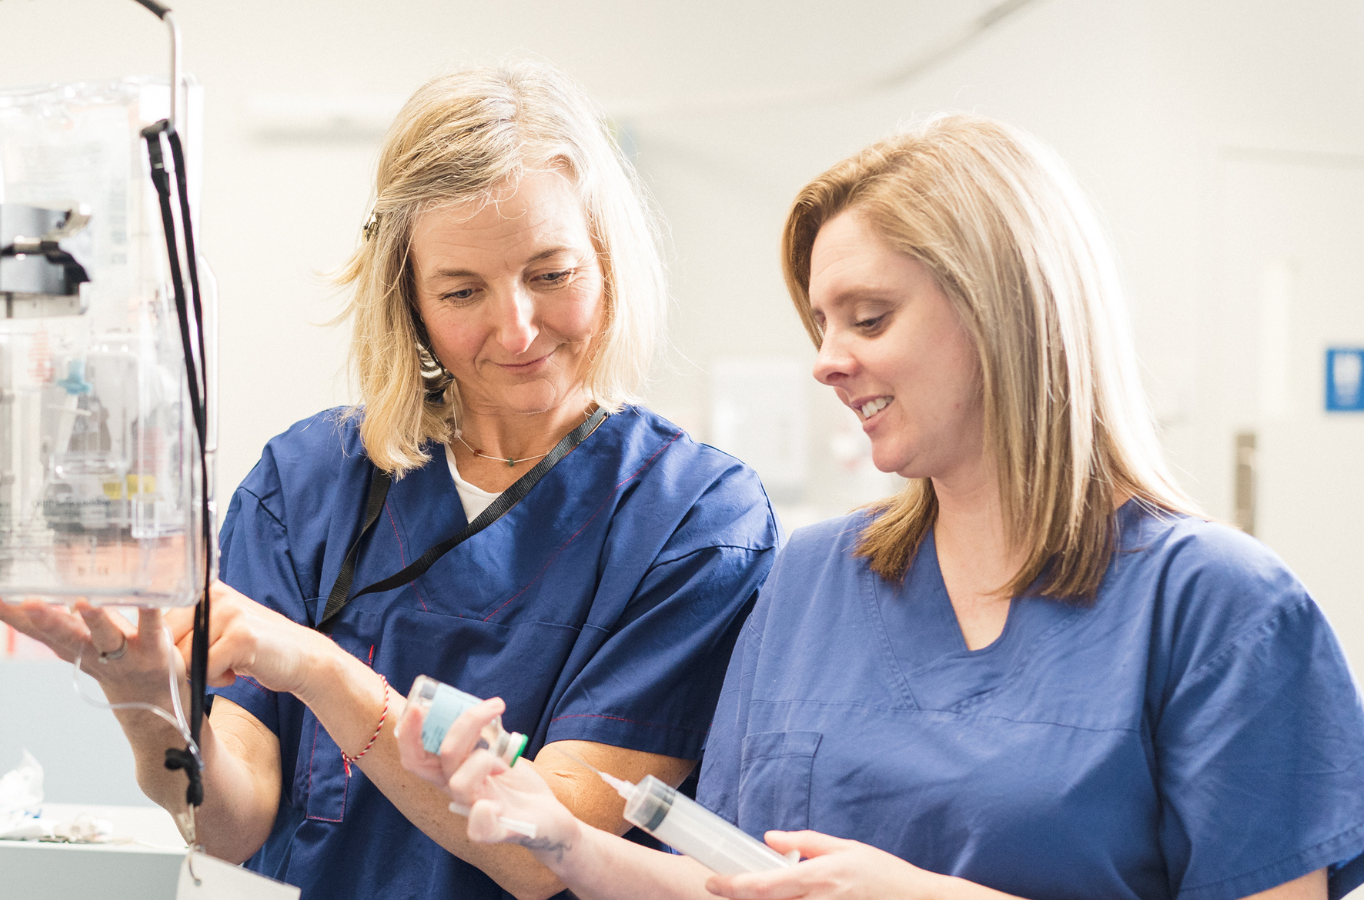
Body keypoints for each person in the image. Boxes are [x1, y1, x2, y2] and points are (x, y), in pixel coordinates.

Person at [408, 114, 1364, 900]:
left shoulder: (1220, 611)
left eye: (868, 318)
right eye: (821, 323)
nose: (826, 359)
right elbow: (730, 882)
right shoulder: (812, 582)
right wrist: (564, 841)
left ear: (1008, 311)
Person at [0, 60, 778, 900]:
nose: (517, 327)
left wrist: (325, 673)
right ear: (410, 301)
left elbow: (546, 848)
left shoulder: (694, 519)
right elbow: (233, 821)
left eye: (552, 274)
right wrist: (147, 704)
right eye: (463, 290)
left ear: (608, 259)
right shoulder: (309, 483)